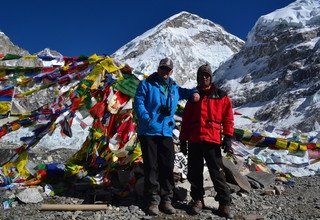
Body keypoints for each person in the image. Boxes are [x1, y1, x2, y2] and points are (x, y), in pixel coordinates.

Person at [134, 58, 199, 216]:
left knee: (167, 166)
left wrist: (195, 92)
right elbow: (138, 101)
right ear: (158, 68)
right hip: (148, 131)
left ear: (171, 71)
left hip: (166, 132)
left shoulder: (174, 87)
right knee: (151, 166)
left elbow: (186, 92)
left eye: (168, 69)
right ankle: (153, 200)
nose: (165, 72)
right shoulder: (147, 84)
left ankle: (167, 199)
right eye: (163, 68)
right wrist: (146, 117)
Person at [179, 64, 234, 218]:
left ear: (211, 77)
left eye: (207, 75)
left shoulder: (221, 96)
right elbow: (186, 121)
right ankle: (198, 200)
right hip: (195, 139)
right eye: (202, 75)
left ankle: (224, 203)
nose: (204, 77)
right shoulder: (193, 97)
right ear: (198, 78)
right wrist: (183, 140)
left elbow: (228, 118)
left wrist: (228, 137)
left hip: (212, 139)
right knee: (194, 172)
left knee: (216, 173)